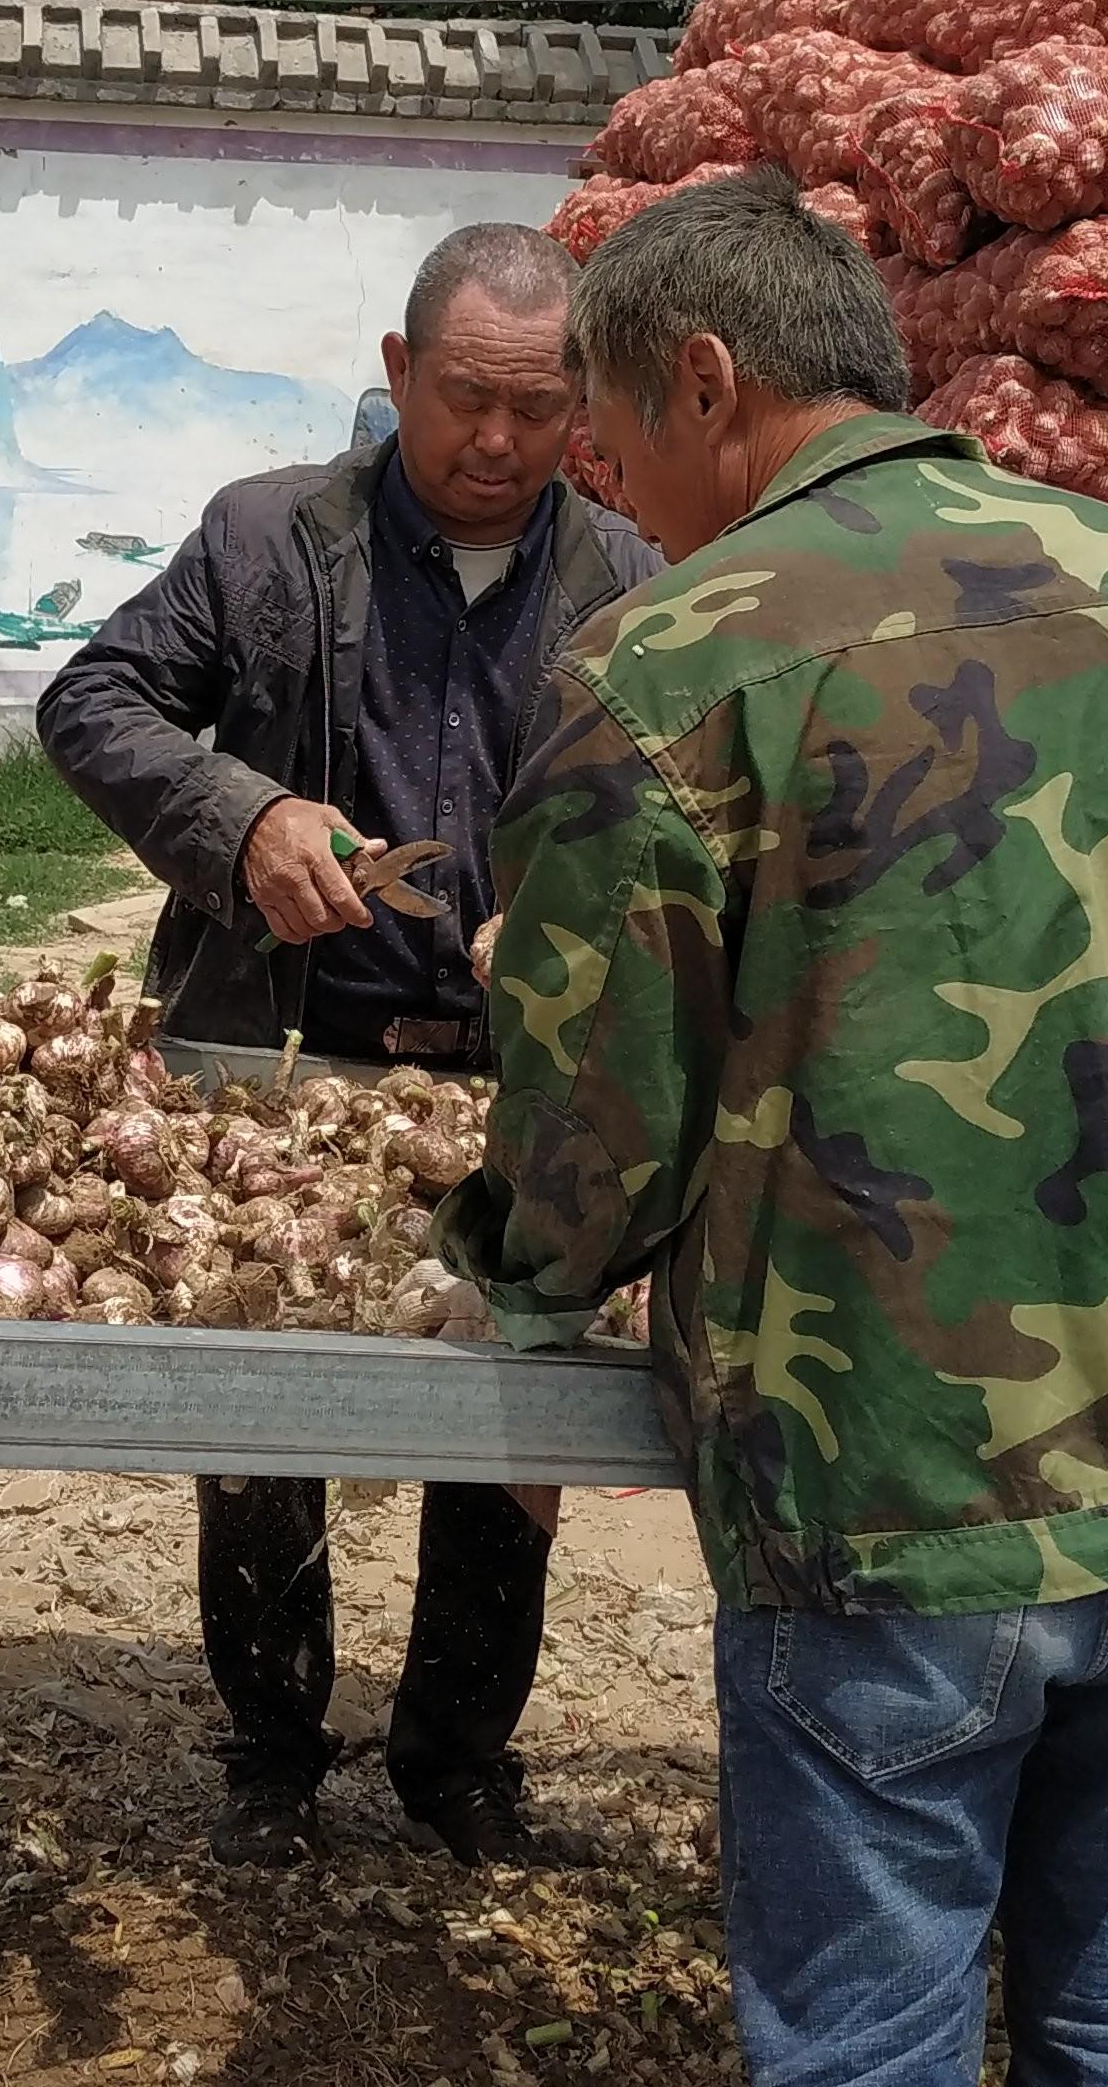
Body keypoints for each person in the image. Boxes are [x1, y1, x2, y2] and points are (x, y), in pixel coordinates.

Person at [426, 173, 1108, 2087]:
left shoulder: (667, 664)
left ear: (702, 381)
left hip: (886, 1503)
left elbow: (592, 1129)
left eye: (613, 444)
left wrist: (518, 1275)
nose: (616, 495)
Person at [37, 224, 659, 1869]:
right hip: (288, 1068)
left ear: (581, 405)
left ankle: (458, 1758)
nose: (497, 443)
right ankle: (270, 1749)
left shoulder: (630, 583)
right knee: (265, 1405)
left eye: (538, 408)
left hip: (511, 1090)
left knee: (510, 1422)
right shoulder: (267, 540)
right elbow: (94, 706)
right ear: (397, 375)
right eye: (465, 399)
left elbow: (683, 814)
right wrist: (235, 819)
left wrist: (589, 918)